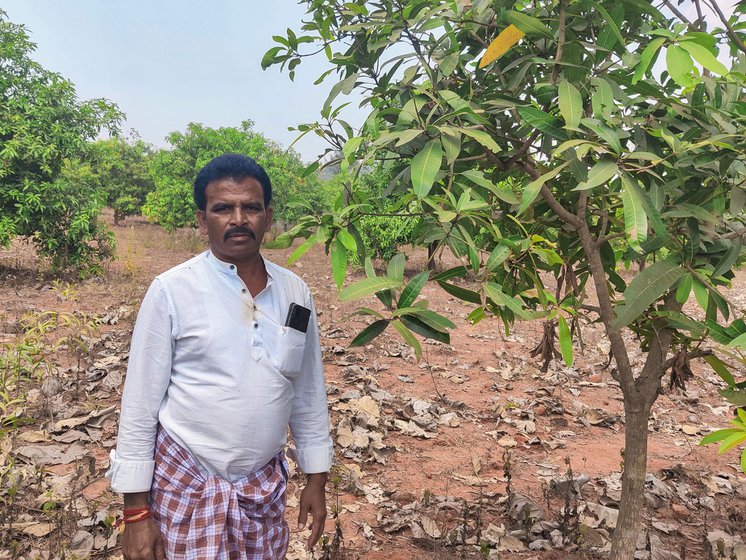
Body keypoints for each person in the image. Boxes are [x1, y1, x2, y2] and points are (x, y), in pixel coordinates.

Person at [106, 153, 334, 560]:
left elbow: (307, 390)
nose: (238, 219)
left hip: (261, 490)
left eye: (250, 207)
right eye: (223, 208)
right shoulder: (172, 291)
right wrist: (136, 513)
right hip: (185, 484)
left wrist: (316, 477)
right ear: (201, 219)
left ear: (268, 215)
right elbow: (139, 406)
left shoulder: (295, 292)